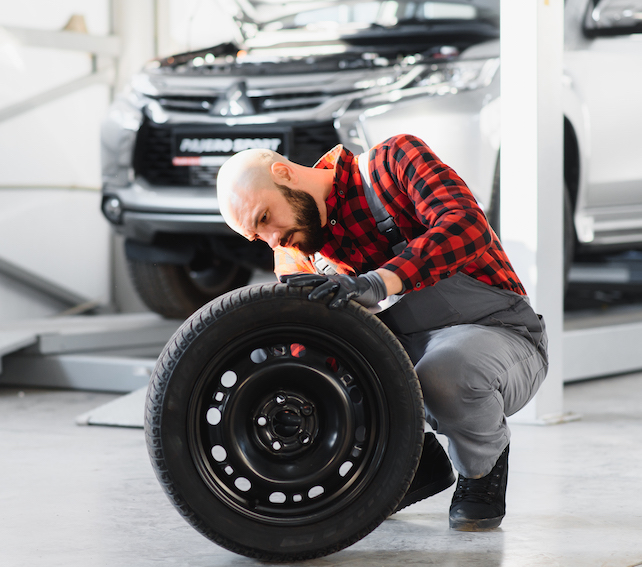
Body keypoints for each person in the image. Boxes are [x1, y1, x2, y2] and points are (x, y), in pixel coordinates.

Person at [215, 134, 549, 531]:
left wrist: (378, 282)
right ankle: (413, 462)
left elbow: (466, 228)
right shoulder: (295, 255)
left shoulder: (392, 163)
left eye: (265, 218)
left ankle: (482, 469)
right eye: (258, 236)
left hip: (499, 335)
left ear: (284, 174)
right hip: (406, 359)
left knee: (444, 371)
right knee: (313, 367)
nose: (272, 239)